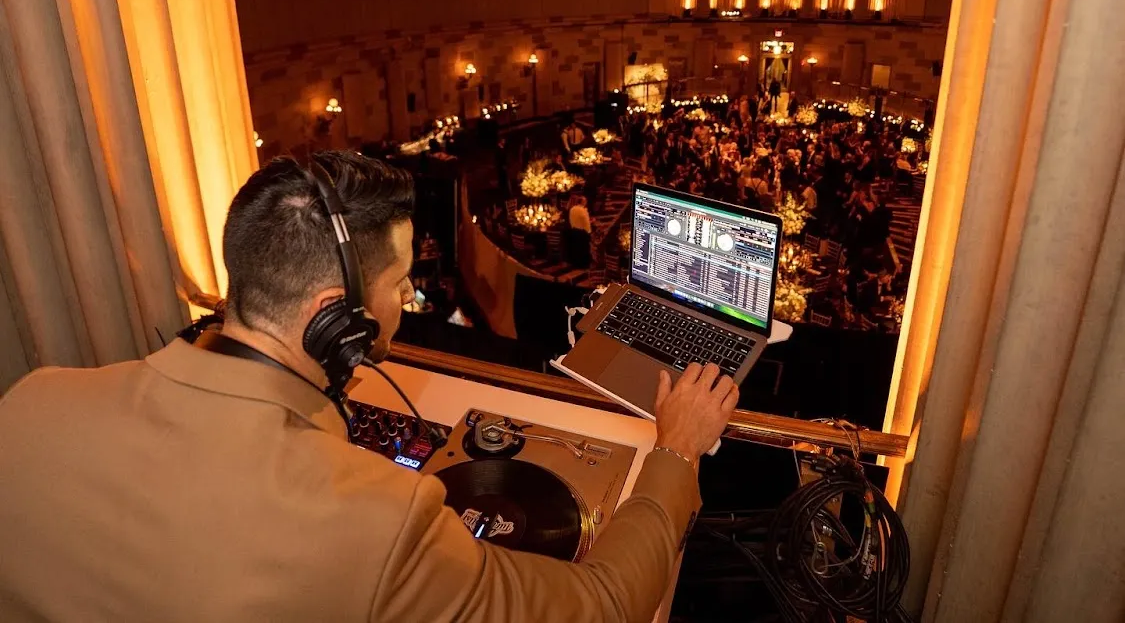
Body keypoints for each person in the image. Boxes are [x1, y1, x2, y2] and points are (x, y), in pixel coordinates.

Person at [0, 152, 739, 623]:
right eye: (399, 283)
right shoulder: (378, 520)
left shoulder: (33, 401)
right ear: (336, 319)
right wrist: (675, 450)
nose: (406, 301)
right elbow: (603, 604)